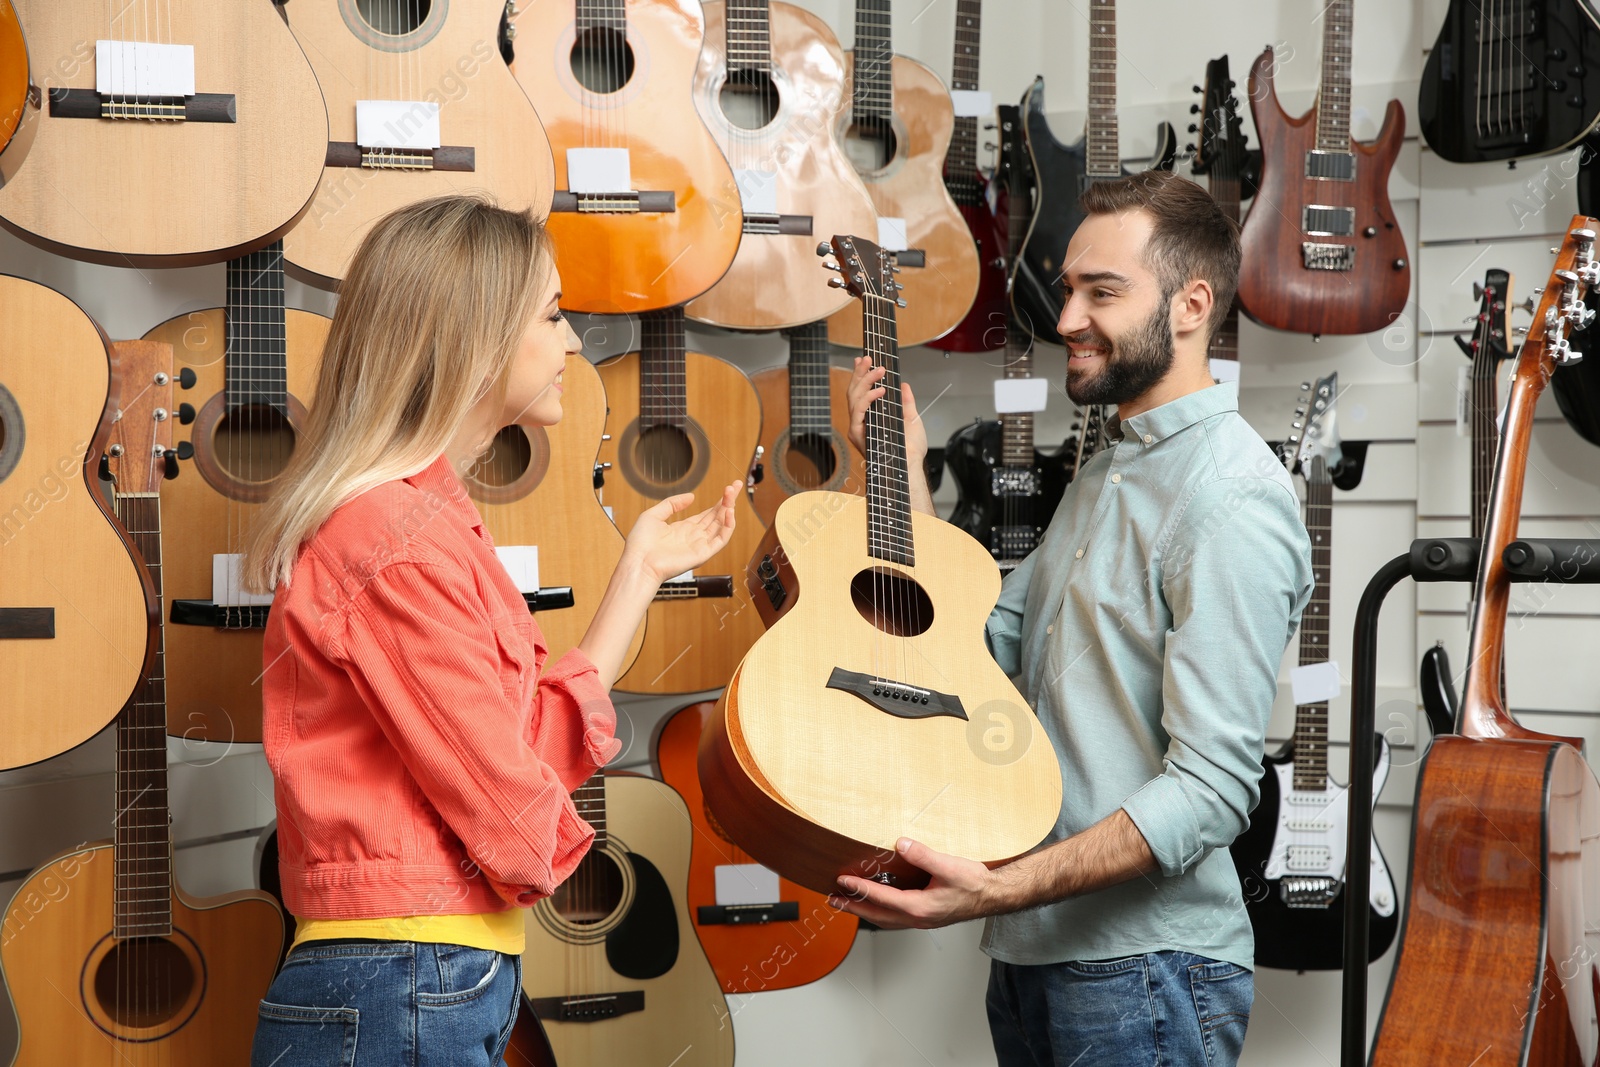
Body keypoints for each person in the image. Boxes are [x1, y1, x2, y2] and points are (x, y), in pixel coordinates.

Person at [242, 196, 741, 1067]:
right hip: (402, 978)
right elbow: (510, 808)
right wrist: (570, 851)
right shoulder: (390, 541)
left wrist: (639, 574)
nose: (576, 342)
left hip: (429, 972)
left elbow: (518, 752)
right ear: (471, 340)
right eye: (552, 316)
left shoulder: (427, 523)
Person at [832, 171, 1313, 1067]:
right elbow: (978, 658)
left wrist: (992, 889)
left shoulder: (1233, 498)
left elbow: (1211, 790)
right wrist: (901, 470)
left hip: (1147, 973)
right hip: (1035, 952)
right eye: (1068, 290)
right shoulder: (1107, 469)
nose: (1065, 320)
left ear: (1189, 304)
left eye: (1103, 291)